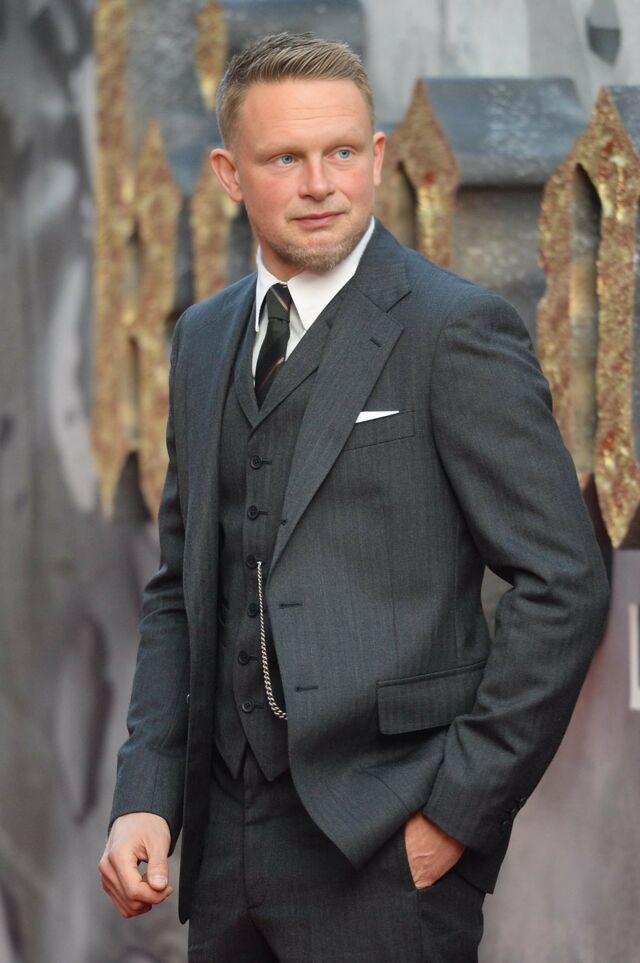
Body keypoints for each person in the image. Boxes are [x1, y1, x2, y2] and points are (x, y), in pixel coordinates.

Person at [99, 32, 610, 962]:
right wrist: (146, 790)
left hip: (386, 847)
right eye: (285, 159)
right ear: (229, 174)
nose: (320, 184)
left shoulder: (454, 329)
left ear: (377, 156)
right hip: (223, 849)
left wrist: (454, 814)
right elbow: (181, 589)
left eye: (341, 151)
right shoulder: (203, 338)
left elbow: (564, 582)